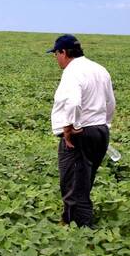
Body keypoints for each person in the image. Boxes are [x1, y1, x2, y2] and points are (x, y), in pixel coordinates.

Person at [48, 34, 116, 228]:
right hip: (100, 130)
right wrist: (104, 125)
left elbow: (73, 102)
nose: (56, 58)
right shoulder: (99, 69)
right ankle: (70, 221)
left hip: (81, 133)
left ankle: (79, 233)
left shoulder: (72, 72)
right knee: (83, 182)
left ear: (64, 52)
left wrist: (70, 128)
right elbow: (110, 102)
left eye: (56, 53)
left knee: (74, 186)